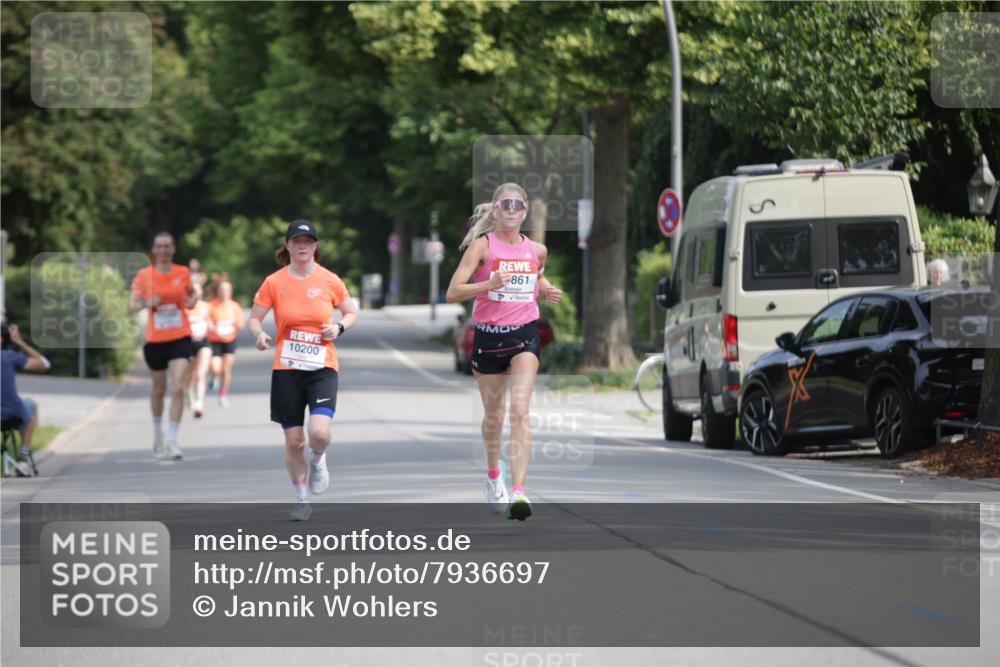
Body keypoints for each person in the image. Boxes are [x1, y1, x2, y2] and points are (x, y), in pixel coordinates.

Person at [445, 183, 562, 521]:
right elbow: (453, 291)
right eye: (504, 204)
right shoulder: (482, 248)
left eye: (517, 204)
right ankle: (494, 475)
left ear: (524, 211)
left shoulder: (536, 250)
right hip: (489, 337)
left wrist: (546, 287)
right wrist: (488, 285)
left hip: (525, 336)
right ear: (496, 210)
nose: (511, 209)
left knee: (520, 412)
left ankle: (520, 491)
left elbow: (536, 275)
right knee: (494, 417)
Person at [247, 220, 358, 521]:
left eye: (309, 241)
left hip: (323, 365)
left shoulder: (329, 280)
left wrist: (338, 326)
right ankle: (300, 497)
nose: (303, 245)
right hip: (287, 367)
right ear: (287, 245)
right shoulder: (274, 282)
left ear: (316, 246)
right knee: (295, 441)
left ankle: (318, 459)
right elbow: (254, 317)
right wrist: (259, 334)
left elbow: (350, 312)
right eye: (297, 240)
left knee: (319, 434)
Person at [128, 231, 196, 460]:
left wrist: (192, 301)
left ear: (173, 249)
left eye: (168, 246)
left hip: (180, 337)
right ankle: (158, 433)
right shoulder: (144, 275)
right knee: (159, 390)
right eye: (160, 246)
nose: (164, 250)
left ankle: (174, 439)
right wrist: (147, 302)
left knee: (178, 388)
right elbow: (131, 306)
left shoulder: (183, 272)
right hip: (155, 340)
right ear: (154, 250)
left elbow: (193, 297)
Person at [1, 322, 51, 471]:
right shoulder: (10, 357)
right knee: (31, 405)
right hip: (11, 415)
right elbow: (44, 364)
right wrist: (19, 342)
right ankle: (23, 458)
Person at [207, 274, 244, 408]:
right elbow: (206, 320)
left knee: (226, 369)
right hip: (214, 340)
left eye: (227, 290)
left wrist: (233, 322)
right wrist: (210, 325)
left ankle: (223, 395)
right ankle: (214, 377)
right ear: (218, 291)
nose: (224, 293)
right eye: (222, 290)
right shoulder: (211, 305)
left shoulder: (235, 306)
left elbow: (241, 326)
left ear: (230, 292)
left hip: (229, 340)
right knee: (216, 368)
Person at [186, 281, 213, 418]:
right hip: (187, 344)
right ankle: (189, 394)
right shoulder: (184, 306)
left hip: (203, 342)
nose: (196, 294)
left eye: (198, 290)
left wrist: (211, 325)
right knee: (189, 375)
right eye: (193, 290)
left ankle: (199, 404)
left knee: (201, 374)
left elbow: (211, 321)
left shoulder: (206, 306)